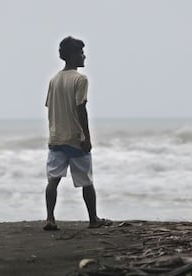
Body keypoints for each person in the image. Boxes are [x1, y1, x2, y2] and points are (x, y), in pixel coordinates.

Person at [44, 36, 112, 230]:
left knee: (53, 180)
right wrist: (87, 136)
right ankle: (93, 219)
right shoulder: (80, 79)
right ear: (73, 56)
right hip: (75, 138)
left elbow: (49, 106)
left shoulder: (54, 80)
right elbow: (80, 108)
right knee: (86, 181)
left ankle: (50, 218)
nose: (84, 56)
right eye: (81, 53)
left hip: (56, 137)